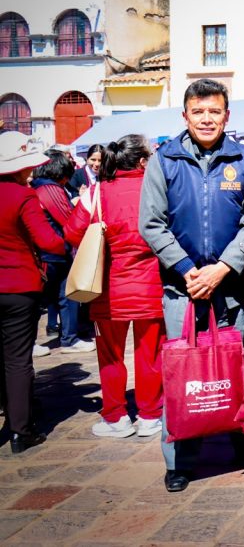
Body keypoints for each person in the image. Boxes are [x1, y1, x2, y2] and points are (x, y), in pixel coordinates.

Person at [139, 78, 244, 492]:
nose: (207, 119)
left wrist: (224, 267)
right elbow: (151, 223)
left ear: (227, 116)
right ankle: (179, 459)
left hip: (234, 286)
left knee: (238, 365)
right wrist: (187, 268)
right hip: (183, 288)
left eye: (214, 111)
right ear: (185, 116)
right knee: (182, 371)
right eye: (199, 112)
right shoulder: (164, 161)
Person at [66, 135, 166, 439]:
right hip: (151, 286)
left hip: (108, 289)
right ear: (142, 162)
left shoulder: (96, 193)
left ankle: (116, 416)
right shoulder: (158, 190)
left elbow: (72, 233)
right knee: (151, 355)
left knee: (110, 357)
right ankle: (150, 415)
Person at [0, 132, 66, 453]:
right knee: (17, 360)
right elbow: (48, 241)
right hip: (18, 286)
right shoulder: (23, 196)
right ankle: (20, 430)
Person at [32, 150, 94, 354]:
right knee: (55, 299)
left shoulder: (38, 187)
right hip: (52, 254)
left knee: (59, 298)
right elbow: (68, 219)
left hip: (49, 253)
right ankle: (68, 339)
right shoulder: (50, 188)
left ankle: (67, 339)